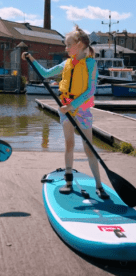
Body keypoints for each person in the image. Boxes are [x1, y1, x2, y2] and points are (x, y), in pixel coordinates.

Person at [22, 25, 109, 199]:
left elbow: (90, 91)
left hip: (81, 110)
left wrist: (72, 106)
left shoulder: (91, 64)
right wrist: (31, 58)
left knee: (89, 148)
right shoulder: (66, 63)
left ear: (81, 44)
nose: (66, 49)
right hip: (65, 108)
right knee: (69, 144)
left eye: (68, 45)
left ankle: (99, 185)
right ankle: (68, 181)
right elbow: (45, 74)